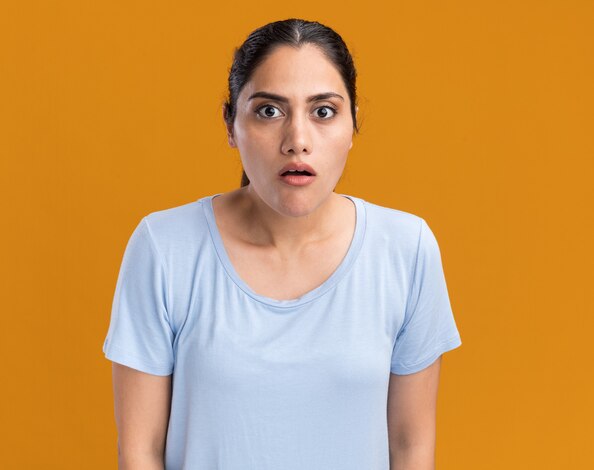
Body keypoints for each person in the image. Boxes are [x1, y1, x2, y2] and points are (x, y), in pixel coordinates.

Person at [102, 18, 462, 470]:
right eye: (269, 111)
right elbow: (140, 451)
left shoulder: (407, 250)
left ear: (353, 127)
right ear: (231, 125)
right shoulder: (164, 247)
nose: (297, 141)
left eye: (323, 111)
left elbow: (411, 446)